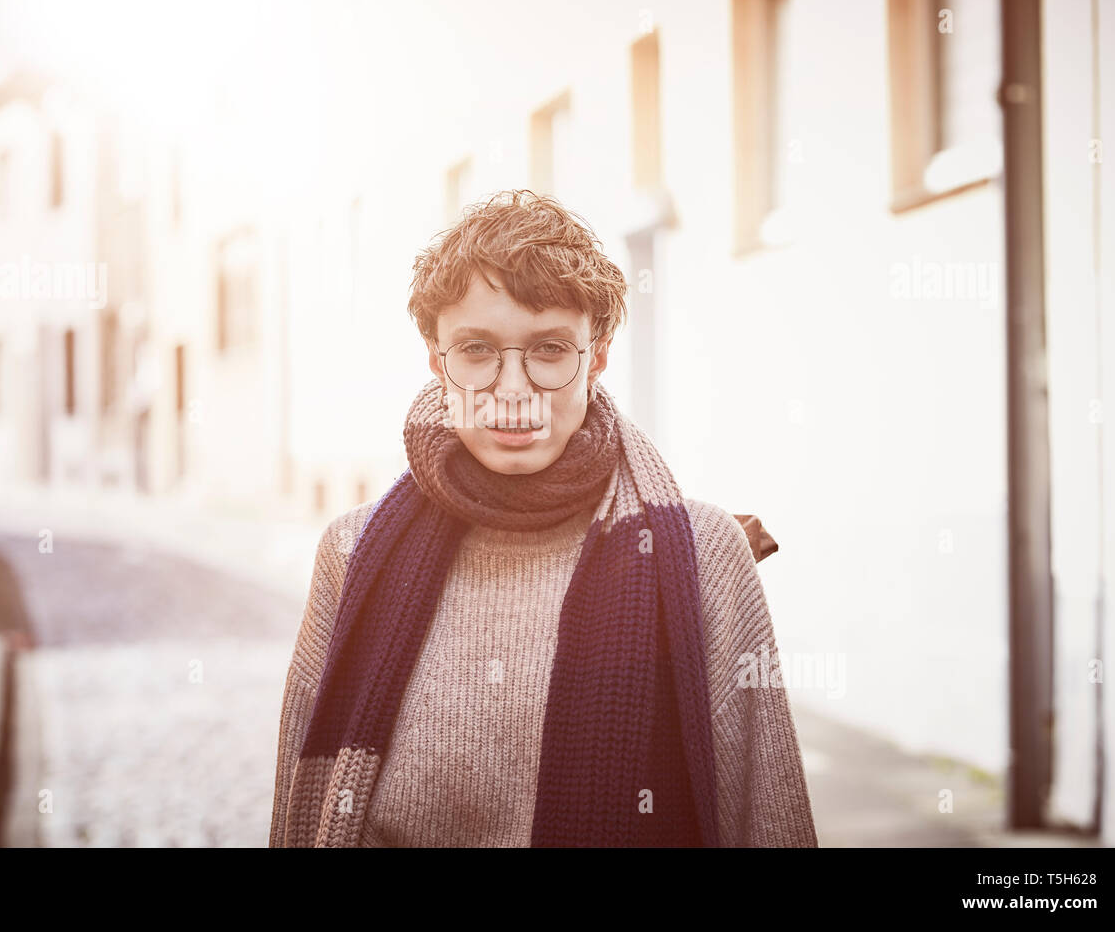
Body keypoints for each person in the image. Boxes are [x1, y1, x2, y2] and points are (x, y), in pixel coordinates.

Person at [269, 189, 817, 847]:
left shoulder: (704, 556)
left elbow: (769, 818)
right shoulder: (353, 553)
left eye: (549, 349)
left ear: (599, 358)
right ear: (436, 360)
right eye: (476, 350)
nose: (512, 389)